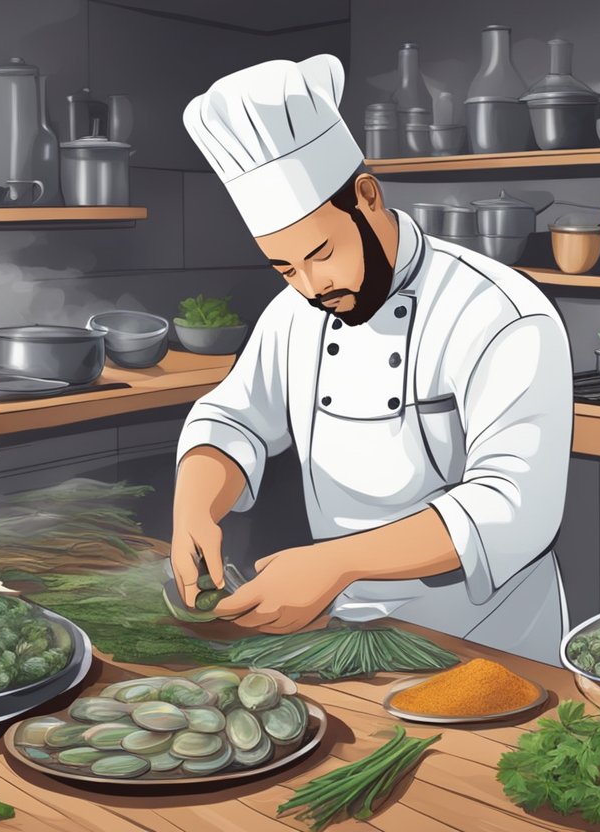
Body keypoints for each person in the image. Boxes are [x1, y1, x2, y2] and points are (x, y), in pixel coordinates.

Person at [169, 54, 573, 664]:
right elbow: (235, 420)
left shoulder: (500, 313)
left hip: (487, 638)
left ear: (368, 197)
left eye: (322, 252)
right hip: (346, 630)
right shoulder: (296, 309)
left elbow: (513, 506)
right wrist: (194, 505)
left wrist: (339, 560)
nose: (308, 285)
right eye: (284, 266)